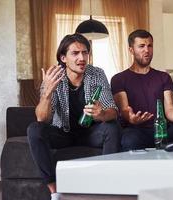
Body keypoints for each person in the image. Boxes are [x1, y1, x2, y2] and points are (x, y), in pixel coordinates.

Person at [27, 33, 120, 200]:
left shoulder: (97, 74)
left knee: (112, 126)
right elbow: (42, 119)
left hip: (90, 133)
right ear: (63, 58)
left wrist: (102, 114)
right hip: (62, 133)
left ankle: (108, 186)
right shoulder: (54, 76)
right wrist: (47, 93)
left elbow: (112, 111)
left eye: (85, 53)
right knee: (34, 129)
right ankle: (54, 192)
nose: (82, 58)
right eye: (75, 53)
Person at [111, 29, 173, 151]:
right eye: (141, 46)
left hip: (163, 130)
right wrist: (131, 118)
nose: (147, 50)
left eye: (150, 46)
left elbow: (170, 108)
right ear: (131, 50)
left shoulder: (164, 77)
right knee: (130, 140)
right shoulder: (119, 79)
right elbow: (124, 109)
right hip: (136, 130)